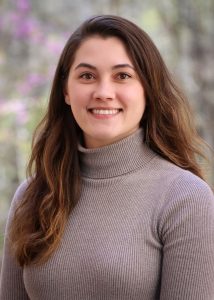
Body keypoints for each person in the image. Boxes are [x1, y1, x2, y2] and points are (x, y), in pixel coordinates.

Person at [0, 15, 214, 300]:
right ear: (66, 90)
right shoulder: (31, 196)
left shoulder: (185, 199)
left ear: (147, 90)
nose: (103, 92)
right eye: (87, 76)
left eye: (122, 76)